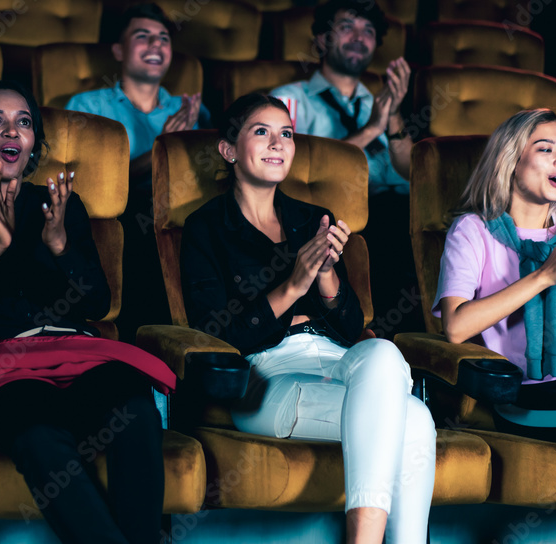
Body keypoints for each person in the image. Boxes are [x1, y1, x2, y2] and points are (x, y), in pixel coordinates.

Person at [0, 78, 176, 544]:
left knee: (136, 409)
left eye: (23, 122)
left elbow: (99, 304)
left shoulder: (60, 205)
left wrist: (61, 245)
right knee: (39, 432)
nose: (12, 132)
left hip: (76, 353)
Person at [181, 93, 435, 544]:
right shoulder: (206, 228)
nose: (278, 142)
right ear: (228, 150)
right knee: (415, 420)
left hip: (337, 361)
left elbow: (352, 328)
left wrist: (326, 274)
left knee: (381, 349)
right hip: (267, 376)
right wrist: (294, 284)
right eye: (262, 131)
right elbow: (216, 335)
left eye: (287, 134)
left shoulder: (312, 219)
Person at [436, 109, 556, 543]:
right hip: (527, 388)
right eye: (546, 150)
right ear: (510, 160)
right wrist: (544, 276)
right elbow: (456, 327)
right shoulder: (473, 231)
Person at [270, 0, 420, 337]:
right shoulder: (289, 100)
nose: (359, 36)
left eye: (368, 31)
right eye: (347, 26)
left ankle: (411, 344)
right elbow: (285, 169)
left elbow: (413, 173)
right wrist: (370, 130)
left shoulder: (377, 101)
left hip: (390, 212)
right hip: (325, 216)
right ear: (322, 39)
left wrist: (393, 114)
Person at [64, 2, 210, 343]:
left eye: (163, 38)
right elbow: (86, 189)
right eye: (143, 36)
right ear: (118, 49)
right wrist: (165, 145)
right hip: (121, 223)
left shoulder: (188, 110)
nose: (156, 45)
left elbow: (208, 181)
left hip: (182, 222)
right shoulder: (87, 107)